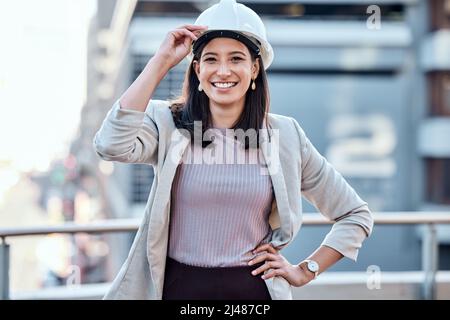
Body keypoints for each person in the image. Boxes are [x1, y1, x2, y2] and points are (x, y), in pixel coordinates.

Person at [93, 0, 374, 300]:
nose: (223, 71)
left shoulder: (286, 136)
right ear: (197, 70)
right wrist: (160, 61)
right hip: (180, 291)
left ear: (254, 68)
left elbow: (355, 214)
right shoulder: (167, 124)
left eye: (236, 58)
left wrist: (305, 270)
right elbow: (110, 145)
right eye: (211, 59)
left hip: (254, 294)